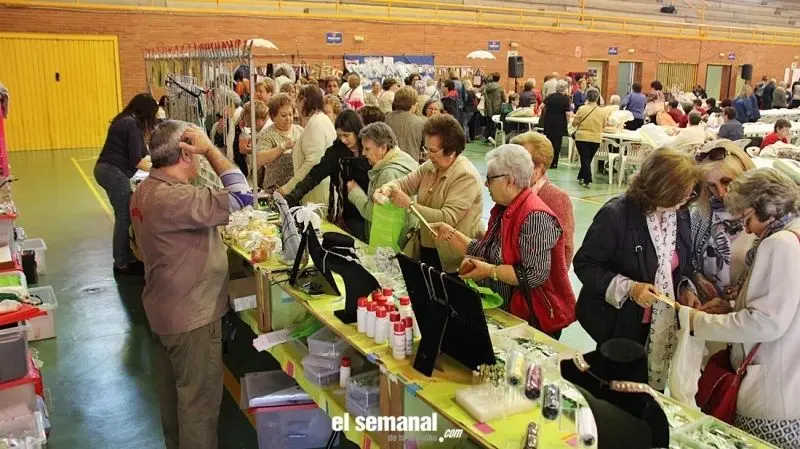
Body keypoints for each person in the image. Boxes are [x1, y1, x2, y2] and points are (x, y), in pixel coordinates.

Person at [130, 122, 253, 449]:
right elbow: (243, 196)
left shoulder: (145, 189)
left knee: (173, 401)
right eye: (196, 150)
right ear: (186, 152)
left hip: (163, 312)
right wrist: (211, 150)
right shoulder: (176, 198)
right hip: (192, 320)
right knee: (198, 407)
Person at [674, 168, 800, 448]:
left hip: (772, 393)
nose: (747, 230)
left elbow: (766, 322)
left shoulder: (780, 244)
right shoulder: (794, 233)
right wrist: (732, 306)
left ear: (767, 209)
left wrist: (697, 322)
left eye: (747, 219)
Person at [574, 149, 699, 390]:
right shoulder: (617, 215)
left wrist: (686, 288)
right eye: (680, 194)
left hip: (661, 325)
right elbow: (585, 264)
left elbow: (683, 262)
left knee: (651, 390)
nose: (686, 200)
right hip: (621, 324)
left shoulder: (680, 214)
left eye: (689, 193)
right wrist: (630, 288)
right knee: (620, 389)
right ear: (660, 189)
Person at [429, 144, 576, 337]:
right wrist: (451, 234)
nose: (486, 184)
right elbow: (486, 250)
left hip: (532, 318)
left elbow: (534, 275)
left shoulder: (535, 216)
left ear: (510, 181)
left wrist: (489, 271)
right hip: (509, 310)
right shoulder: (505, 209)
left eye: (490, 178)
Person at [374, 114, 484, 272]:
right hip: (428, 246)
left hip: (453, 258)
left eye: (433, 151)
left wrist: (409, 205)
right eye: (426, 148)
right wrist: (387, 188)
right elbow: (404, 183)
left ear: (451, 151)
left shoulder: (466, 176)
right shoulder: (430, 166)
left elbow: (447, 218)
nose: (427, 154)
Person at [681, 141, 755, 310]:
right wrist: (695, 277)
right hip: (706, 310)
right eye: (712, 186)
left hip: (746, 312)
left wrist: (743, 292)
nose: (721, 193)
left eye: (727, 182)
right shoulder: (701, 215)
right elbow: (685, 259)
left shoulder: (764, 216)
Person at [94, 93, 156, 275]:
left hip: (107, 170)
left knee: (126, 213)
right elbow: (137, 160)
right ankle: (121, 262)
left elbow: (143, 153)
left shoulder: (125, 120)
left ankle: (127, 258)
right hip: (113, 172)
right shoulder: (131, 124)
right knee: (123, 216)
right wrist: (161, 171)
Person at [284, 110, 370, 241]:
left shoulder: (369, 149)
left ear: (356, 131)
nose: (343, 140)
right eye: (339, 135)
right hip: (347, 216)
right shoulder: (335, 152)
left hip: (371, 212)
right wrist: (293, 196)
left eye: (346, 135)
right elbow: (314, 176)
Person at [510, 132, 575, 266]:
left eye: (518, 163)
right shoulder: (510, 190)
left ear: (538, 169)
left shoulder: (557, 198)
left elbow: (564, 253)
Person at [347, 122, 419, 239]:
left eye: (367, 149)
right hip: (406, 234)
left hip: (391, 240)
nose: (363, 153)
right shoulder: (404, 158)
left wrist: (355, 193)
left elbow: (374, 213)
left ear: (383, 148)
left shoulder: (388, 174)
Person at [280, 85, 336, 206]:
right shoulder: (320, 120)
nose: (296, 105)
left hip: (314, 191)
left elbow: (312, 162)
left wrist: (288, 188)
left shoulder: (316, 123)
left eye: (297, 100)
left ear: (304, 100)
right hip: (316, 188)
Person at [249, 94, 302, 190]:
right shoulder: (267, 134)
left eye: (290, 114)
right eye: (283, 115)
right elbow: (258, 159)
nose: (288, 118)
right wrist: (283, 147)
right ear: (273, 117)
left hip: (297, 188)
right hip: (274, 189)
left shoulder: (300, 131)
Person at [572, 88, 612, 188]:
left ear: (587, 97)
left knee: (585, 159)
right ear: (597, 98)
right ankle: (582, 177)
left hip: (582, 138)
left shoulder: (582, 109)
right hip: (596, 139)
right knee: (587, 159)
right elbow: (604, 125)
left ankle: (587, 179)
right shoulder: (603, 112)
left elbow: (574, 123)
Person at [385, 86, 426, 162]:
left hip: (390, 162)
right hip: (411, 163)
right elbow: (424, 144)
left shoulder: (387, 118)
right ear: (412, 105)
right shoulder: (419, 122)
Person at [542, 80, 571, 169]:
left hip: (549, 122)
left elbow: (541, 106)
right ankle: (554, 163)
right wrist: (568, 122)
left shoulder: (550, 96)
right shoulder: (565, 99)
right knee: (557, 144)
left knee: (549, 142)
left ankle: (547, 161)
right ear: (565, 89)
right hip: (559, 123)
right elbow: (567, 113)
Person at [483, 72, 505, 145]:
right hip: (497, 108)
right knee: (494, 124)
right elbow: (504, 99)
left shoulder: (487, 87)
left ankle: (487, 137)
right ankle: (492, 138)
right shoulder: (500, 88)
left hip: (488, 107)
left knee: (488, 123)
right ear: (499, 79)